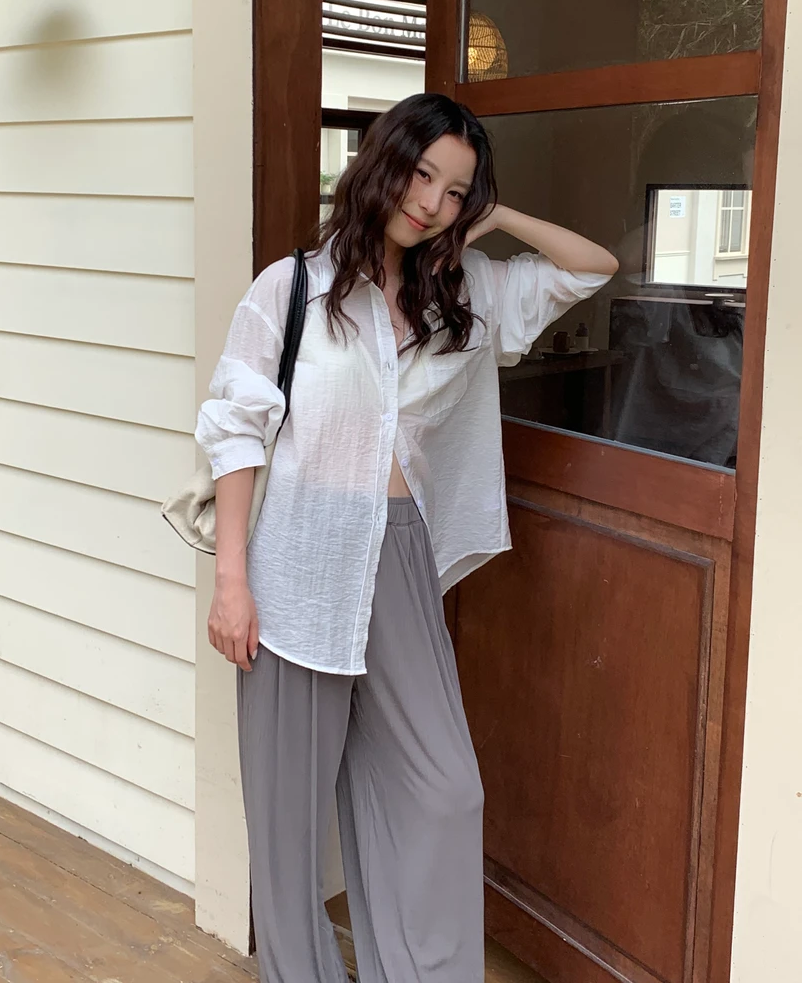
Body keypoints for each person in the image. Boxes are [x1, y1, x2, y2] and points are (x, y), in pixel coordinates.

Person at [196, 93, 618, 983]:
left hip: (397, 551)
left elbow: (592, 268)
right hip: (298, 559)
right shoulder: (293, 289)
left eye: (456, 190)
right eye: (422, 174)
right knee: (287, 818)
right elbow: (236, 431)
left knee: (445, 789)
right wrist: (232, 582)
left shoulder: (465, 290)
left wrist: (496, 216)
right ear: (382, 162)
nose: (431, 202)